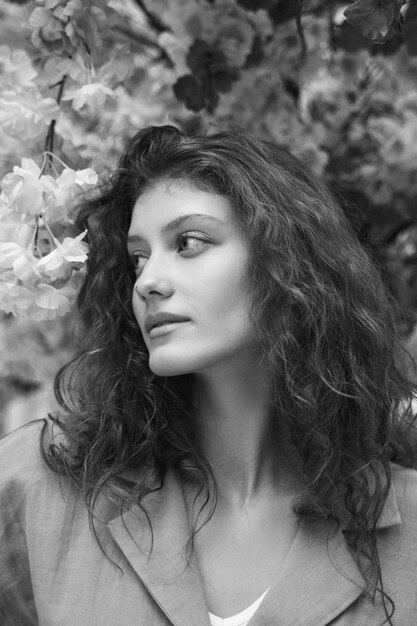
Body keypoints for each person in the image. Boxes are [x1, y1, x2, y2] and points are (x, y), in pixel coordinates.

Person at [1, 125, 417, 626]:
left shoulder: (407, 525)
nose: (149, 281)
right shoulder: (40, 485)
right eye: (139, 257)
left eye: (189, 242)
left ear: (288, 267)